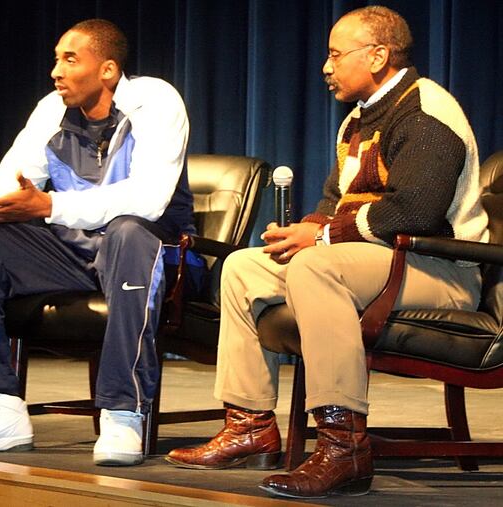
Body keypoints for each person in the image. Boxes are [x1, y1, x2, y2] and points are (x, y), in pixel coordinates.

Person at [166, 5, 488, 499]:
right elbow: (334, 207)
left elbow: (415, 212)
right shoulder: (355, 123)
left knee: (317, 265)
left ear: (378, 55)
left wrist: (318, 239)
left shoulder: (426, 111)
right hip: (377, 262)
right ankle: (250, 424)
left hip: (440, 267)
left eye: (337, 55)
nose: (326, 66)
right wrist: (301, 231)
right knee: (245, 267)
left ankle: (343, 446)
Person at [0, 18, 195, 467]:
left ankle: (122, 410)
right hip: (77, 253)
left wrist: (49, 206)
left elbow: (148, 201)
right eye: (55, 59)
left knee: (129, 230)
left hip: (156, 253)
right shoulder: (51, 109)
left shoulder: (155, 101)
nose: (56, 70)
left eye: (70, 59)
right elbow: (14, 179)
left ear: (108, 70)